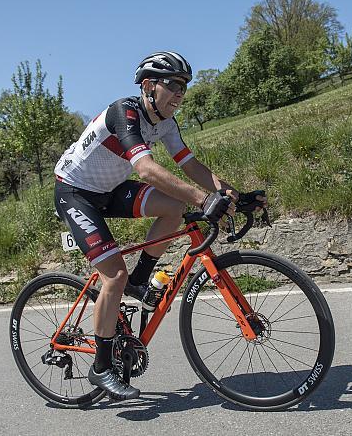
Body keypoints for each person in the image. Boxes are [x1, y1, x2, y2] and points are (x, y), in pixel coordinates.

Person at [54, 51, 266, 400]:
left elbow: (191, 165)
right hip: (76, 192)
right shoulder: (126, 113)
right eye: (173, 86)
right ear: (149, 86)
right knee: (113, 275)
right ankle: (101, 368)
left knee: (173, 207)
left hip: (110, 189)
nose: (180, 95)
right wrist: (203, 199)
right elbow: (146, 170)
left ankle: (141, 280)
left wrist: (234, 195)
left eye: (184, 87)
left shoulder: (166, 122)